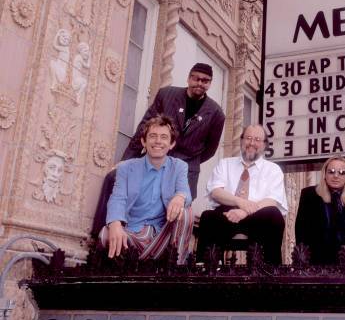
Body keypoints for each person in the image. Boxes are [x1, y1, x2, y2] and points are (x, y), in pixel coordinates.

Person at [92, 63, 225, 235]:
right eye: (196, 78)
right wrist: (126, 161)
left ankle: (165, 252)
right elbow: (144, 129)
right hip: (153, 158)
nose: (200, 83)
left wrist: (188, 161)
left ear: (210, 83)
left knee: (182, 209)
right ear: (189, 78)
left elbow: (210, 150)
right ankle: (99, 236)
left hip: (186, 167)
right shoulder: (167, 95)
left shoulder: (216, 113)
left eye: (205, 81)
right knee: (113, 178)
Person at [99, 115, 193, 265]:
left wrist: (179, 197)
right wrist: (115, 224)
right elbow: (118, 198)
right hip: (134, 232)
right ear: (144, 141)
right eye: (153, 136)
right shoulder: (126, 167)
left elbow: (185, 192)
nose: (158, 141)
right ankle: (146, 261)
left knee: (186, 212)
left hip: (164, 235)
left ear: (172, 144)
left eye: (164, 137)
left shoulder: (179, 166)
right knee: (105, 234)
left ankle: (177, 265)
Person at [196, 124, 287, 265]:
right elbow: (216, 192)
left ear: (264, 145)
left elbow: (272, 200)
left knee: (274, 215)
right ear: (241, 141)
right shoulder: (225, 164)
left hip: (258, 215)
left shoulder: (273, 169)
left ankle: (271, 271)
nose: (251, 143)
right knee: (208, 217)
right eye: (248, 138)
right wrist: (240, 203)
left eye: (257, 139)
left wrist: (245, 211)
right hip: (227, 213)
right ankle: (207, 270)